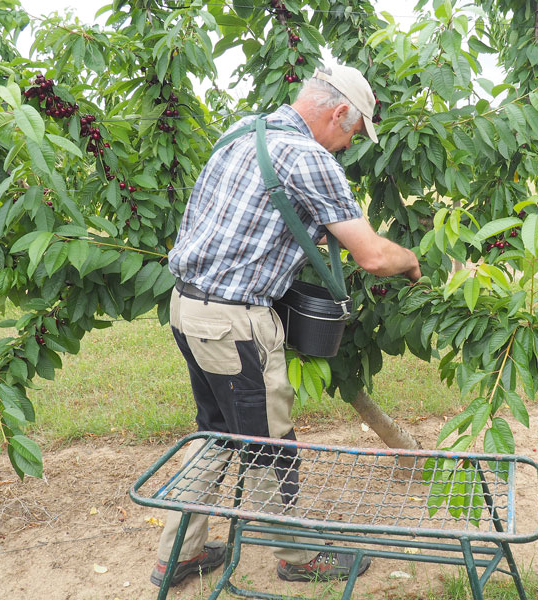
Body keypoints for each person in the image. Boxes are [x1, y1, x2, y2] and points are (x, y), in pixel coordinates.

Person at [149, 63, 421, 588]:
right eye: (353, 133)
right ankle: (297, 556)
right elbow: (371, 257)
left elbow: (242, 222)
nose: (348, 146)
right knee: (270, 445)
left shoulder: (241, 134)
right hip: (234, 323)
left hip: (188, 310)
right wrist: (409, 260)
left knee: (219, 434)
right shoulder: (308, 157)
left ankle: (178, 554)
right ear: (339, 112)